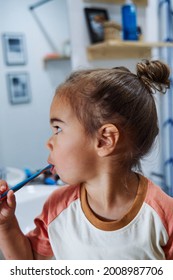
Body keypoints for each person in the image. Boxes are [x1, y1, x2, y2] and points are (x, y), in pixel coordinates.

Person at [0, 59, 173, 260]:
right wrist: (6, 225)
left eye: (58, 129)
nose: (49, 142)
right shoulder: (57, 207)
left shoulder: (163, 214)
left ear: (104, 140)